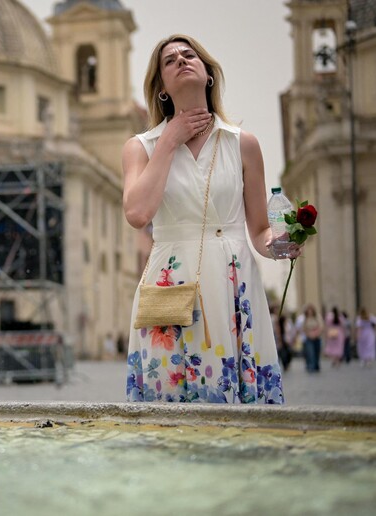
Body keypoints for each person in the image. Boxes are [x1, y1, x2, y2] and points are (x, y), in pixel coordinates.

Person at [122, 34, 301, 404]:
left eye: (189, 55)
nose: (180, 60)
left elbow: (259, 231)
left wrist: (282, 244)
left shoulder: (243, 143)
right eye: (169, 61)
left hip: (232, 279)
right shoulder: (141, 147)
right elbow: (137, 214)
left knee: (238, 410)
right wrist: (170, 140)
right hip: (169, 279)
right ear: (162, 89)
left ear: (208, 74)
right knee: (169, 396)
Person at [301, 304, 323, 373]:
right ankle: (311, 366)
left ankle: (316, 365)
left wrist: (316, 334)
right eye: (308, 310)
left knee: (317, 351)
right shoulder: (306, 318)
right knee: (310, 352)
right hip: (309, 338)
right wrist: (309, 334)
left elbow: (321, 326)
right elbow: (304, 328)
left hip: (317, 337)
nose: (310, 312)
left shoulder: (317, 317)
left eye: (311, 310)